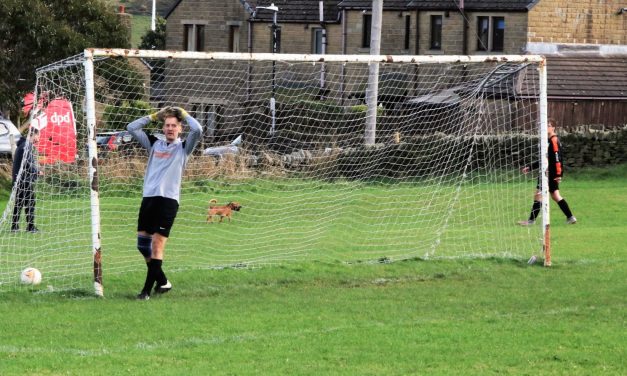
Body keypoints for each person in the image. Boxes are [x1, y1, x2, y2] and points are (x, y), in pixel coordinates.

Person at [127, 106, 202, 300]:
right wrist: (153, 115)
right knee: (142, 246)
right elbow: (131, 128)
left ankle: (145, 292)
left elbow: (198, 130)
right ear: (163, 127)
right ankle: (163, 281)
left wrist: (184, 113)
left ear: (180, 129)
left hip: (168, 201)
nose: (170, 128)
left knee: (156, 245)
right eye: (167, 125)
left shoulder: (184, 147)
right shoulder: (154, 144)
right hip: (149, 198)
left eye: (174, 125)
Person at [518, 118, 576, 226]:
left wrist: (558, 174)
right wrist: (530, 167)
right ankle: (570, 217)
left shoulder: (554, 140)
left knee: (538, 195)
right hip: (548, 172)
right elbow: (544, 159)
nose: (546, 127)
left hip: (549, 173)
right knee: (555, 195)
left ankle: (531, 221)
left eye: (548, 125)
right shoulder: (547, 141)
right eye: (545, 125)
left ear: (553, 127)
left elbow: (557, 159)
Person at [11, 127, 40, 233]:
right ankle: (30, 227)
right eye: (38, 136)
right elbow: (27, 163)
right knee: (30, 203)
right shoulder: (26, 146)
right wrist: (37, 171)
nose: (38, 139)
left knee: (19, 203)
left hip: (19, 179)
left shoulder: (22, 145)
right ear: (33, 135)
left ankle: (14, 227)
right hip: (24, 180)